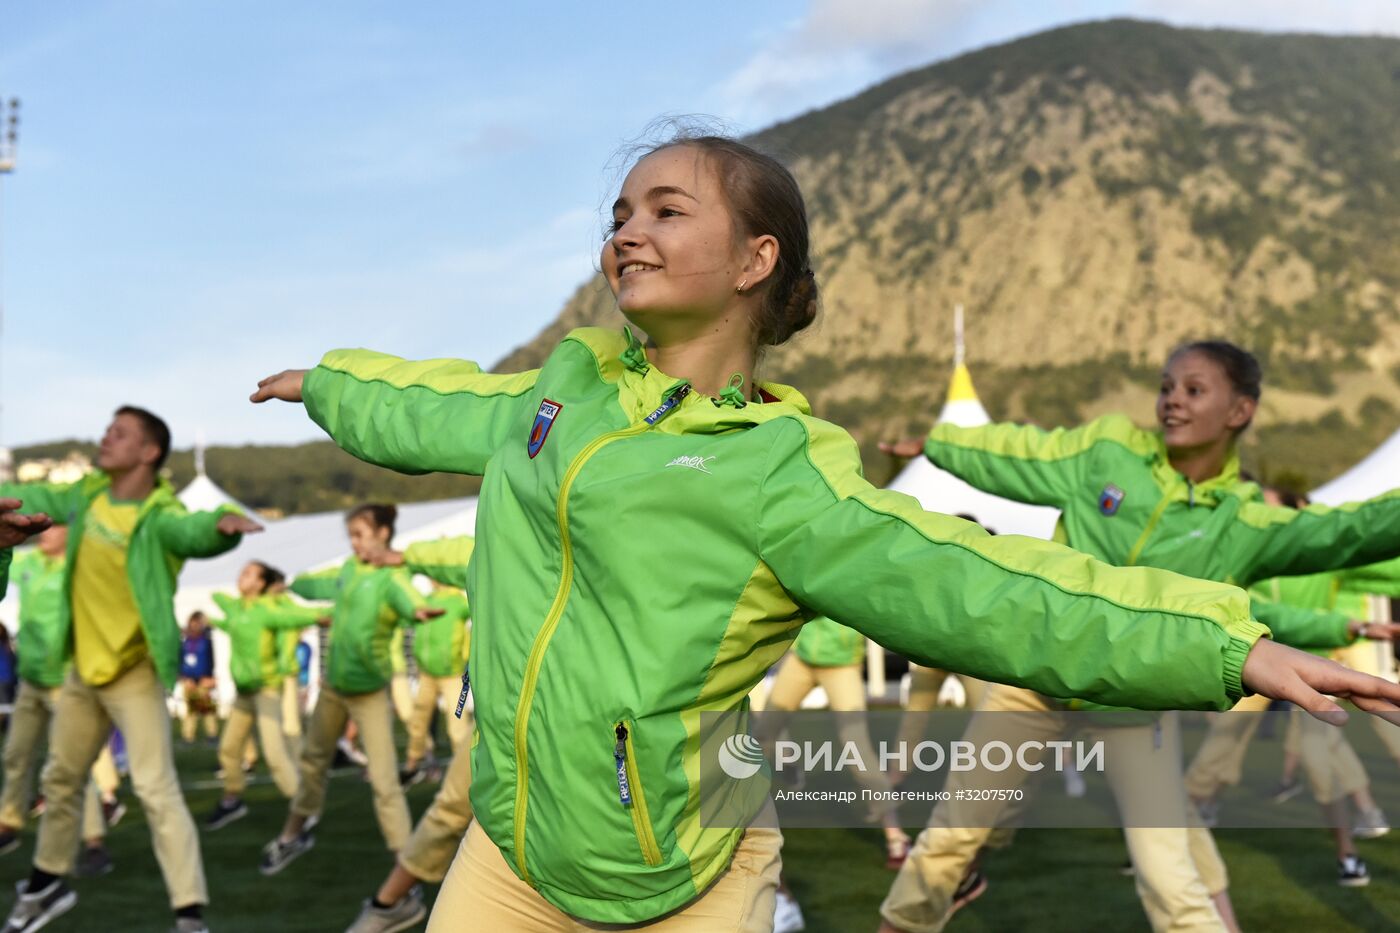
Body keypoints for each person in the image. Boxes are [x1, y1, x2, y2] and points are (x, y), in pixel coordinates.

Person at [252, 131, 1400, 932]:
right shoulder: (560, 393)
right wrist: (328, 386)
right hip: (509, 843)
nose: (625, 233)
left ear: (756, 262)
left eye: (664, 209)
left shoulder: (786, 475)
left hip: (686, 873)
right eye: (617, 214)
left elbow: (983, 585)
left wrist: (1226, 642)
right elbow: (433, 402)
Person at [878, 341, 1400, 933]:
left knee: (1170, 881)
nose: (1172, 400)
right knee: (944, 849)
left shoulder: (1244, 521)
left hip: (1133, 708)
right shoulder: (1110, 453)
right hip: (1033, 684)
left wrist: (1346, 625)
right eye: (1166, 386)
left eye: (1194, 390)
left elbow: (1347, 532)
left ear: (1240, 412)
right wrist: (942, 446)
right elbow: (1023, 452)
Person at [0, 406, 260, 933]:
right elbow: (40, 498)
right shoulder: (88, 496)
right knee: (61, 778)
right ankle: (47, 883)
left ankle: (189, 914)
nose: (105, 437)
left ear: (149, 452)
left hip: (134, 671)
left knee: (156, 788)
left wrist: (221, 528)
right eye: (107, 430)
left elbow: (193, 530)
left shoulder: (158, 515)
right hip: (81, 672)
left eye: (119, 433)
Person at [257, 504, 442, 876]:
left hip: (369, 692)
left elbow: (407, 596)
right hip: (333, 688)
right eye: (352, 536)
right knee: (312, 762)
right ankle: (294, 834)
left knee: (385, 779)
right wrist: (290, 584)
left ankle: (402, 862)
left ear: (383, 534)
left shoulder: (392, 577)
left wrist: (419, 609)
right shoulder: (347, 570)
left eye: (360, 534)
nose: (354, 543)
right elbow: (317, 584)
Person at [346, 536, 475, 933]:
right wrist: (406, 558)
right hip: (450, 683)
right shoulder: (507, 538)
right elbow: (477, 548)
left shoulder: (458, 601)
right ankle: (389, 901)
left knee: (457, 734)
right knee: (451, 790)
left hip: (457, 677)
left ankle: (389, 901)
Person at [0, 525, 118, 875]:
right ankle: (8, 823)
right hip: (31, 680)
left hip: (68, 681)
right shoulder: (29, 561)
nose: (46, 532)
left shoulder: (81, 568)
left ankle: (94, 842)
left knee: (71, 767)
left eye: (56, 527)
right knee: (16, 755)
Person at [203, 561, 325, 830]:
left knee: (275, 753)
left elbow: (291, 618)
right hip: (244, 693)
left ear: (261, 584)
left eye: (248, 574)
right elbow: (223, 608)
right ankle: (232, 799)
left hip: (267, 690)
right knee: (228, 749)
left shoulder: (266, 610)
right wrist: (209, 617)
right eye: (242, 571)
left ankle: (303, 810)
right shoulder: (237, 608)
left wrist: (319, 616)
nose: (241, 576)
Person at [395, 544, 472, 787]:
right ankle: (412, 765)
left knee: (457, 726)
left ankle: (468, 774)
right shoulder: (425, 601)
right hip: (426, 674)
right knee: (418, 722)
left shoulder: (458, 601)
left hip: (453, 675)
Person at [178, 612, 219, 745]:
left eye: (198, 623)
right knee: (191, 710)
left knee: (207, 709)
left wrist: (210, 678)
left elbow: (211, 660)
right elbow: (180, 661)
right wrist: (183, 678)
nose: (195, 626)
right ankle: (188, 736)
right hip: (189, 680)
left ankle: (212, 734)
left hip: (203, 680)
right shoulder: (185, 641)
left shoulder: (206, 641)